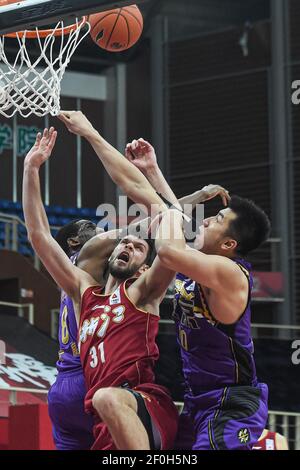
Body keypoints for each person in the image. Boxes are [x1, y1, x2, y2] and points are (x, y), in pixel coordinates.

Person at [22, 124, 184, 450]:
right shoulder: (85, 293)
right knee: (102, 401)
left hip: (139, 403)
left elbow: (172, 223)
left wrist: (149, 172)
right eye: (124, 241)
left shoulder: (143, 292)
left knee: (107, 398)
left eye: (139, 247)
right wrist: (31, 169)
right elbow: (38, 236)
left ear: (145, 267)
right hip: (98, 413)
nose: (129, 244)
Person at [126, 137, 271, 450]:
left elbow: (167, 247)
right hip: (196, 401)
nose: (205, 218)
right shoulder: (199, 263)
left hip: (232, 404)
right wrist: (152, 170)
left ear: (229, 244)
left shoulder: (230, 273)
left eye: (217, 219)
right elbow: (174, 220)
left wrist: (163, 199)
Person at [48, 219, 99, 450]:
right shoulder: (88, 257)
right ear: (74, 241)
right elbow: (146, 227)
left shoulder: (63, 270)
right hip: (88, 378)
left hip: (60, 386)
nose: (100, 229)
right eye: (91, 226)